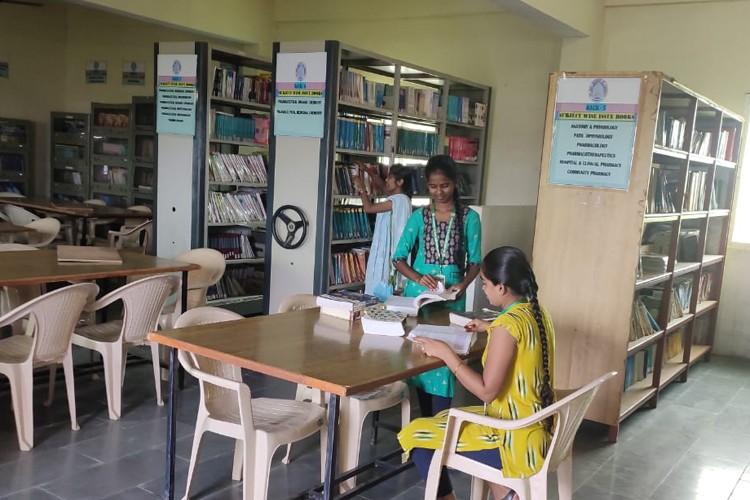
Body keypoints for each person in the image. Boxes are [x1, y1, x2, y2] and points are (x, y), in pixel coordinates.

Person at [398, 246, 555, 500]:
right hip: (537, 425)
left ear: (501, 288)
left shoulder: (507, 327)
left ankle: (507, 492)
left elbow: (486, 391)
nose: (482, 288)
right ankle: (504, 490)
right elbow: (516, 334)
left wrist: (446, 353)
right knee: (447, 419)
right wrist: (489, 326)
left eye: (484, 283)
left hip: (512, 436)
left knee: (415, 436)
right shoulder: (537, 314)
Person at [392, 154, 482, 416]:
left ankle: (440, 422)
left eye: (445, 185)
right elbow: (398, 258)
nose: (439, 192)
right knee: (419, 354)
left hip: (451, 299)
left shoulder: (469, 218)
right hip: (420, 299)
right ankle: (423, 419)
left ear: (455, 183)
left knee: (446, 359)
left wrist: (463, 285)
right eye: (433, 186)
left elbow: (475, 261)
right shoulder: (419, 217)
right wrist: (419, 278)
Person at [352, 163, 412, 299]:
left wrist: (361, 188)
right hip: (389, 253)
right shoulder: (401, 198)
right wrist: (369, 172)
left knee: (380, 290)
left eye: (390, 177)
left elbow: (369, 208)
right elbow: (384, 187)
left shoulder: (399, 200)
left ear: (400, 182)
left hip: (388, 256)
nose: (386, 180)